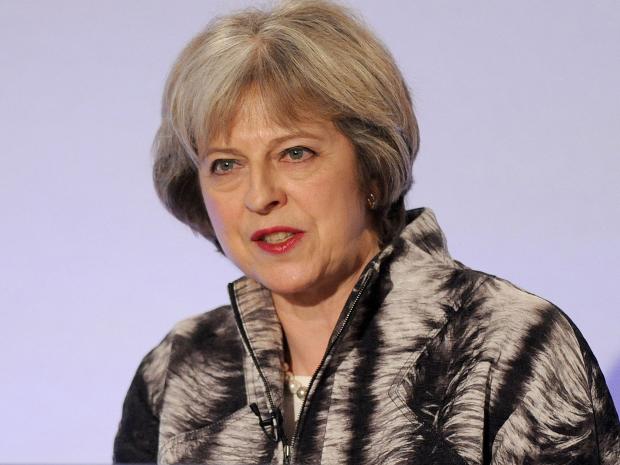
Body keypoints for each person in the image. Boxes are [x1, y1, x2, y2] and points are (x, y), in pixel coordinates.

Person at [113, 1, 620, 463]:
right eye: (225, 164)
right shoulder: (178, 371)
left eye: (296, 153)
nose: (260, 195)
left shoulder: (510, 347)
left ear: (371, 169)